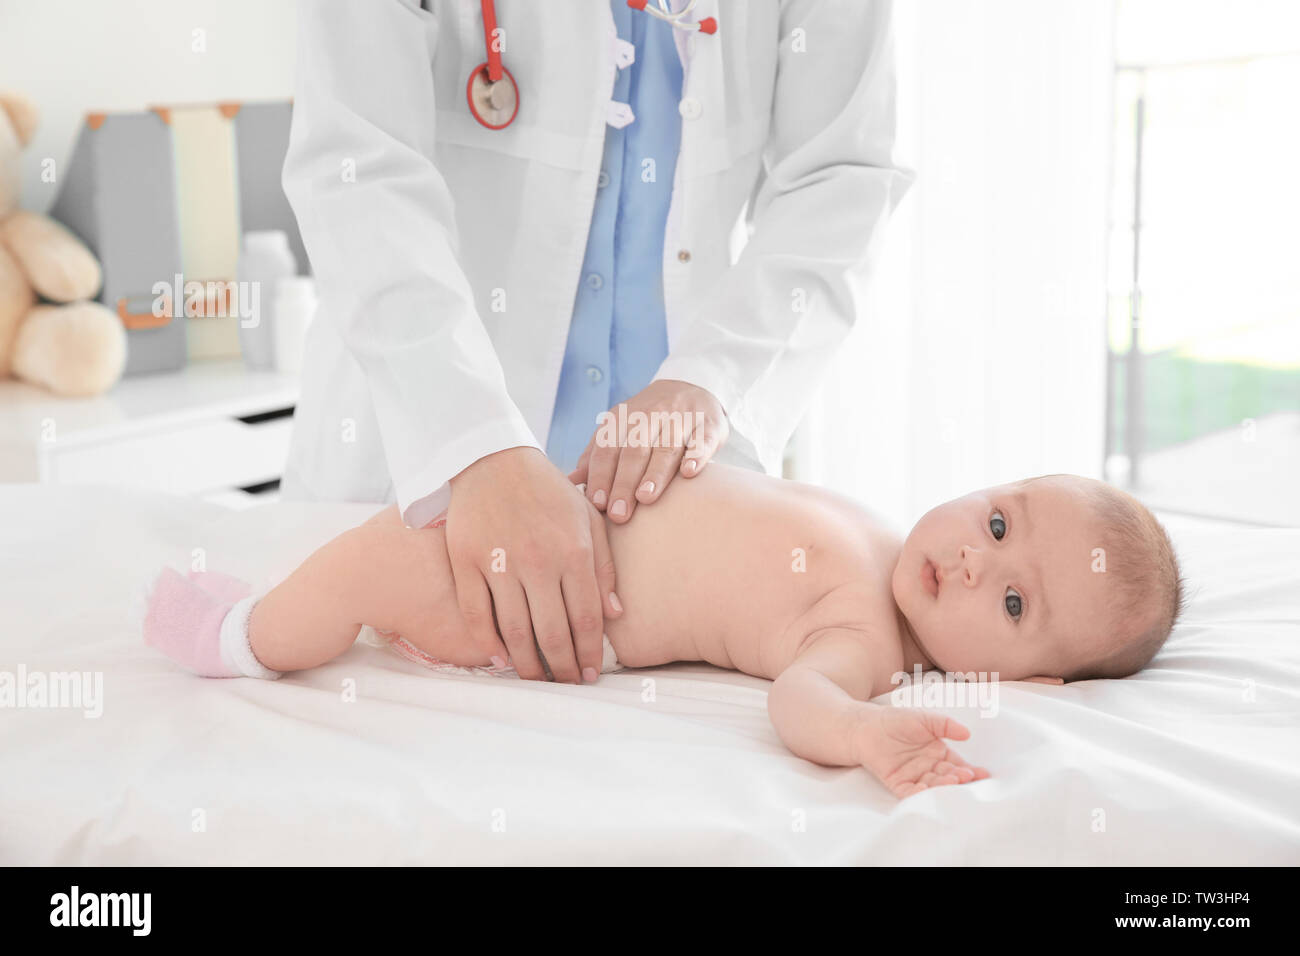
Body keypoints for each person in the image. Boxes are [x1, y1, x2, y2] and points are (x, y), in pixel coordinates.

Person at [279, 0, 912, 684]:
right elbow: (357, 166)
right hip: (422, 453)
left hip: (667, 512)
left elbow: (839, 177)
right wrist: (474, 444)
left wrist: (713, 376)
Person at [140, 466, 1186, 799]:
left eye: (1010, 602)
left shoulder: (863, 634)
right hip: (545, 524)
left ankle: (243, 635)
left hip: (531, 602)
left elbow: (800, 698)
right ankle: (264, 609)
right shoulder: (879, 534)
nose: (971, 558)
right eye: (997, 521)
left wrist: (865, 733)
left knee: (385, 556)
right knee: (399, 532)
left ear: (1033, 680)